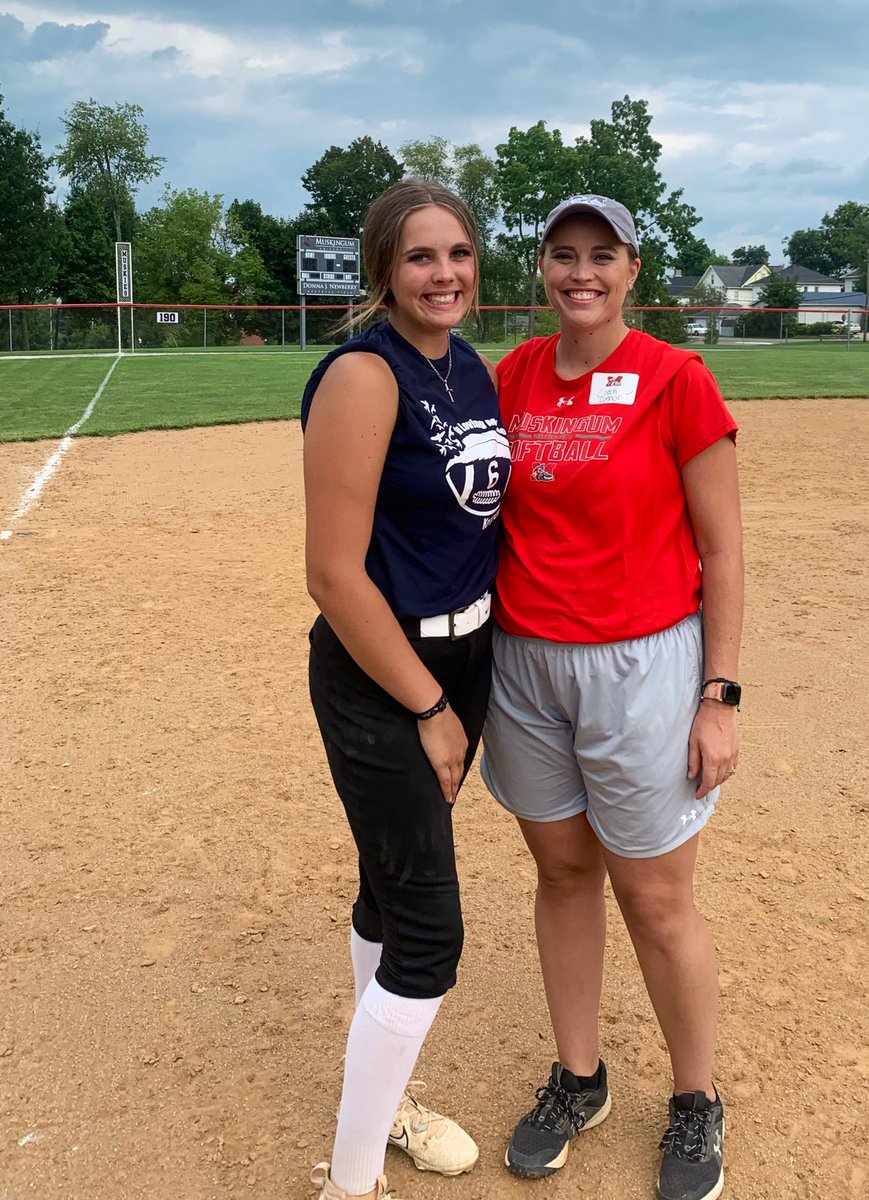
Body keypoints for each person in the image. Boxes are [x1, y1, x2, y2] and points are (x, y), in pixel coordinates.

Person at [481, 194, 743, 1200]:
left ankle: (694, 1098)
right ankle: (579, 1078)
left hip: (640, 661)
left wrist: (716, 693)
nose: (579, 271)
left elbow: (721, 551)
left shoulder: (676, 379)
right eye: (562, 254)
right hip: (525, 664)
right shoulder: (512, 376)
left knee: (654, 895)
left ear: (632, 269)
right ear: (540, 269)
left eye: (601, 254)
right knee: (560, 872)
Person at [301, 180, 511, 1200]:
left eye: (459, 254)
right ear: (384, 269)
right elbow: (334, 575)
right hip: (385, 672)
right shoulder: (362, 375)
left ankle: (389, 1108)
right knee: (429, 932)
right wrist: (427, 708)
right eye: (421, 256)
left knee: (389, 888)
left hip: (464, 662)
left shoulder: (468, 368)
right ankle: (350, 1186)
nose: (444, 274)